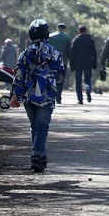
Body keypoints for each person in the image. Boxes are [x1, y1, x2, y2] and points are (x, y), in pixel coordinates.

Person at [10, 19, 67, 172]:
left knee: (35, 126)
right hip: (47, 95)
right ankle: (37, 155)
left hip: (29, 95)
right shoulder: (55, 54)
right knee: (42, 126)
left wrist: (16, 94)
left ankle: (41, 155)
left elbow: (19, 76)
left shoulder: (25, 54)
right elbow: (61, 76)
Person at [70, 25, 98, 104]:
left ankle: (80, 99)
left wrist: (72, 65)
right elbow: (94, 53)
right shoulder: (90, 40)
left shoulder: (76, 40)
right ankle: (88, 89)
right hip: (88, 62)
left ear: (79, 31)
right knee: (87, 79)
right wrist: (94, 63)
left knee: (78, 81)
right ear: (86, 31)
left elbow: (72, 54)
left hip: (78, 63)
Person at [48, 23, 73, 103]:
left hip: (51, 61)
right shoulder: (67, 38)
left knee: (51, 79)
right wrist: (70, 61)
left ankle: (50, 96)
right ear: (64, 29)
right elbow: (69, 51)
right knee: (60, 80)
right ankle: (58, 98)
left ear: (57, 28)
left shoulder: (50, 36)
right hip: (62, 61)